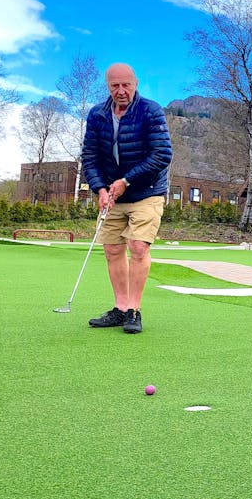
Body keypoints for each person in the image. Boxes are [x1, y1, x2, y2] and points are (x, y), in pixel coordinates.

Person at [82, 63, 172, 334]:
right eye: (114, 86)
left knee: (138, 247)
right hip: (112, 194)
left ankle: (134, 309)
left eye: (126, 85)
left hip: (147, 191)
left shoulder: (151, 111)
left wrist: (126, 181)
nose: (121, 91)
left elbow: (161, 155)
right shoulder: (97, 114)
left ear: (135, 83)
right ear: (108, 86)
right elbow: (90, 157)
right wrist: (99, 188)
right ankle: (120, 309)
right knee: (112, 249)